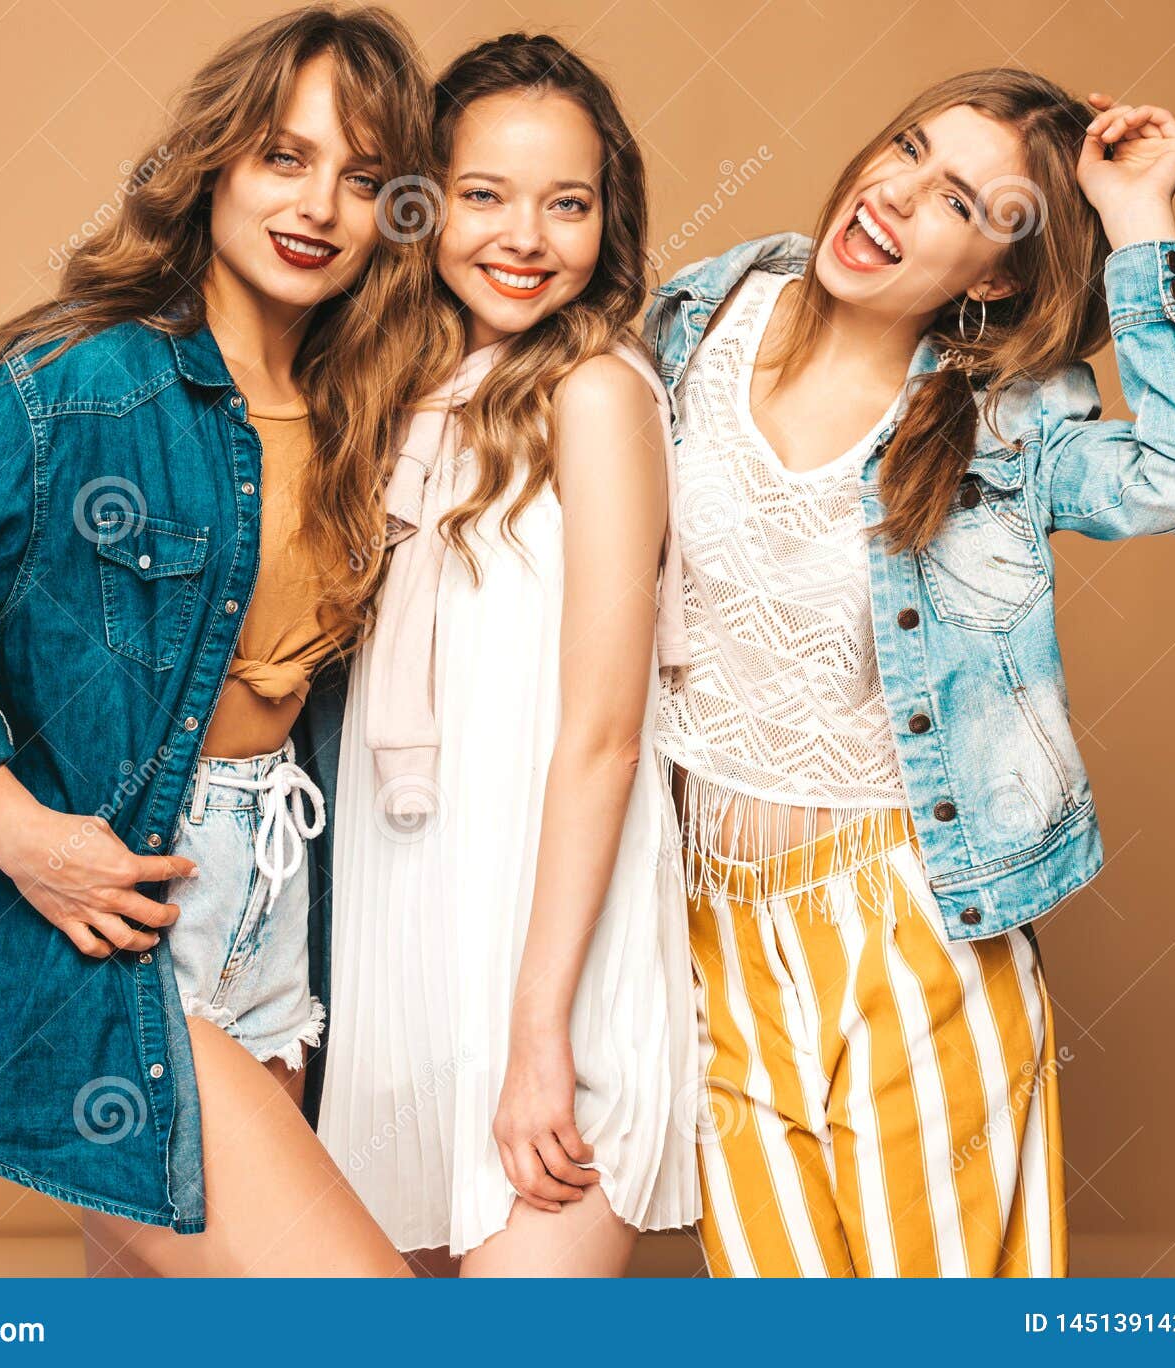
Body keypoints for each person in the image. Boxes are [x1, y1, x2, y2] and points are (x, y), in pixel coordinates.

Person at [0, 6, 439, 1277]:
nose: (319, 205)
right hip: (125, 908)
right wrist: (22, 837)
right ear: (213, 165)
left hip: (284, 899)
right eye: (283, 157)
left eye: (365, 180)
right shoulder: (81, 385)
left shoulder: (370, 410)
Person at [643, 72, 1175, 1277]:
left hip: (910, 926)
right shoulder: (700, 316)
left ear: (992, 274)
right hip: (694, 929)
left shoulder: (1001, 423)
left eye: (958, 200)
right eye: (907, 150)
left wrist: (1136, 220)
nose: (894, 195)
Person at [316, 33, 701, 1277]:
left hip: (552, 978)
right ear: (422, 205)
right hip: (408, 952)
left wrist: (541, 1034)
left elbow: (602, 736)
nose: (525, 236)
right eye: (484, 195)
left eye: (568, 203)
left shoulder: (595, 394)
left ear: (609, 218)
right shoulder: (398, 404)